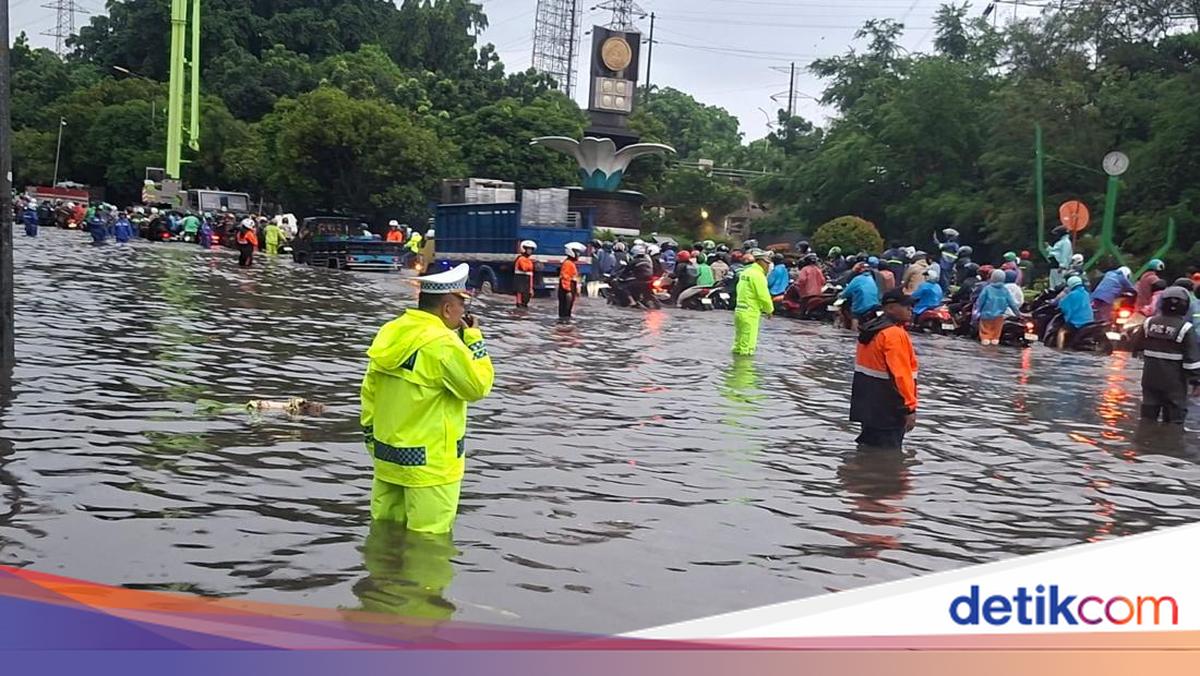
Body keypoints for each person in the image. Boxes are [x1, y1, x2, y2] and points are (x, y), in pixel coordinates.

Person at [360, 263, 494, 534]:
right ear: (447, 308)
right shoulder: (443, 343)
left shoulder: (391, 331)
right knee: (428, 551)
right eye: (461, 307)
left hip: (388, 457)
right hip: (430, 466)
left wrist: (372, 442)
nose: (462, 315)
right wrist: (475, 340)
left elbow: (369, 392)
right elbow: (478, 386)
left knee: (384, 539)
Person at [850, 288, 919, 450]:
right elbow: (901, 376)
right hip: (889, 408)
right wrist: (910, 409)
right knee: (889, 459)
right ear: (890, 308)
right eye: (906, 306)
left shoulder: (871, 330)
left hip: (868, 407)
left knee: (868, 451)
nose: (911, 309)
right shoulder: (894, 334)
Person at [1129, 287, 1200, 424]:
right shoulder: (1185, 328)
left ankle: (1145, 440)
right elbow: (1192, 361)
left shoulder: (1148, 323)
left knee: (1147, 418)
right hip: (1174, 383)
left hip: (1150, 380)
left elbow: (1135, 347)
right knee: (1174, 420)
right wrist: (1196, 381)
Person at [732, 249, 774, 356]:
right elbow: (763, 295)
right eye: (767, 263)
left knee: (738, 343)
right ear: (761, 262)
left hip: (739, 311)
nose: (768, 267)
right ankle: (744, 371)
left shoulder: (745, 272)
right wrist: (769, 310)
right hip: (750, 313)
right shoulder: (758, 275)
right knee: (747, 348)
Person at [975, 270, 1022, 345]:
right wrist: (1018, 313)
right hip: (999, 316)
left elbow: (980, 301)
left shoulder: (987, 289)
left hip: (986, 314)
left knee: (985, 331)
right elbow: (1012, 303)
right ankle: (994, 341)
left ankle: (985, 340)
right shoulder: (1005, 290)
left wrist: (977, 311)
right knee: (996, 333)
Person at [1056, 276, 1095, 345]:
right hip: (1089, 320)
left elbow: (1063, 306)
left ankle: (1059, 350)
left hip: (1078, 322)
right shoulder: (1086, 293)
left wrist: (1059, 300)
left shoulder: (1072, 294)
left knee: (1061, 331)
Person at [841, 263, 882, 328]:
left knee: (855, 315)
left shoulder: (857, 279)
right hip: (875, 304)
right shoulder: (871, 279)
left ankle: (853, 332)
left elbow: (846, 292)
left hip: (863, 307)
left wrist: (840, 295)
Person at [558, 242, 585, 319]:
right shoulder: (568, 263)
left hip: (570, 289)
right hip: (567, 290)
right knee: (565, 313)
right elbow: (565, 278)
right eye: (577, 252)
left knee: (567, 312)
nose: (578, 255)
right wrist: (568, 291)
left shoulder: (571, 263)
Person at [513, 240, 537, 308]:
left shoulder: (528, 260)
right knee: (521, 303)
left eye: (531, 249)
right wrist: (532, 266)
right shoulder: (521, 259)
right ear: (524, 249)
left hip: (527, 284)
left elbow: (530, 273)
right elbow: (525, 268)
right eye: (528, 249)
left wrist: (531, 289)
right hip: (521, 283)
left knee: (526, 300)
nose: (530, 251)